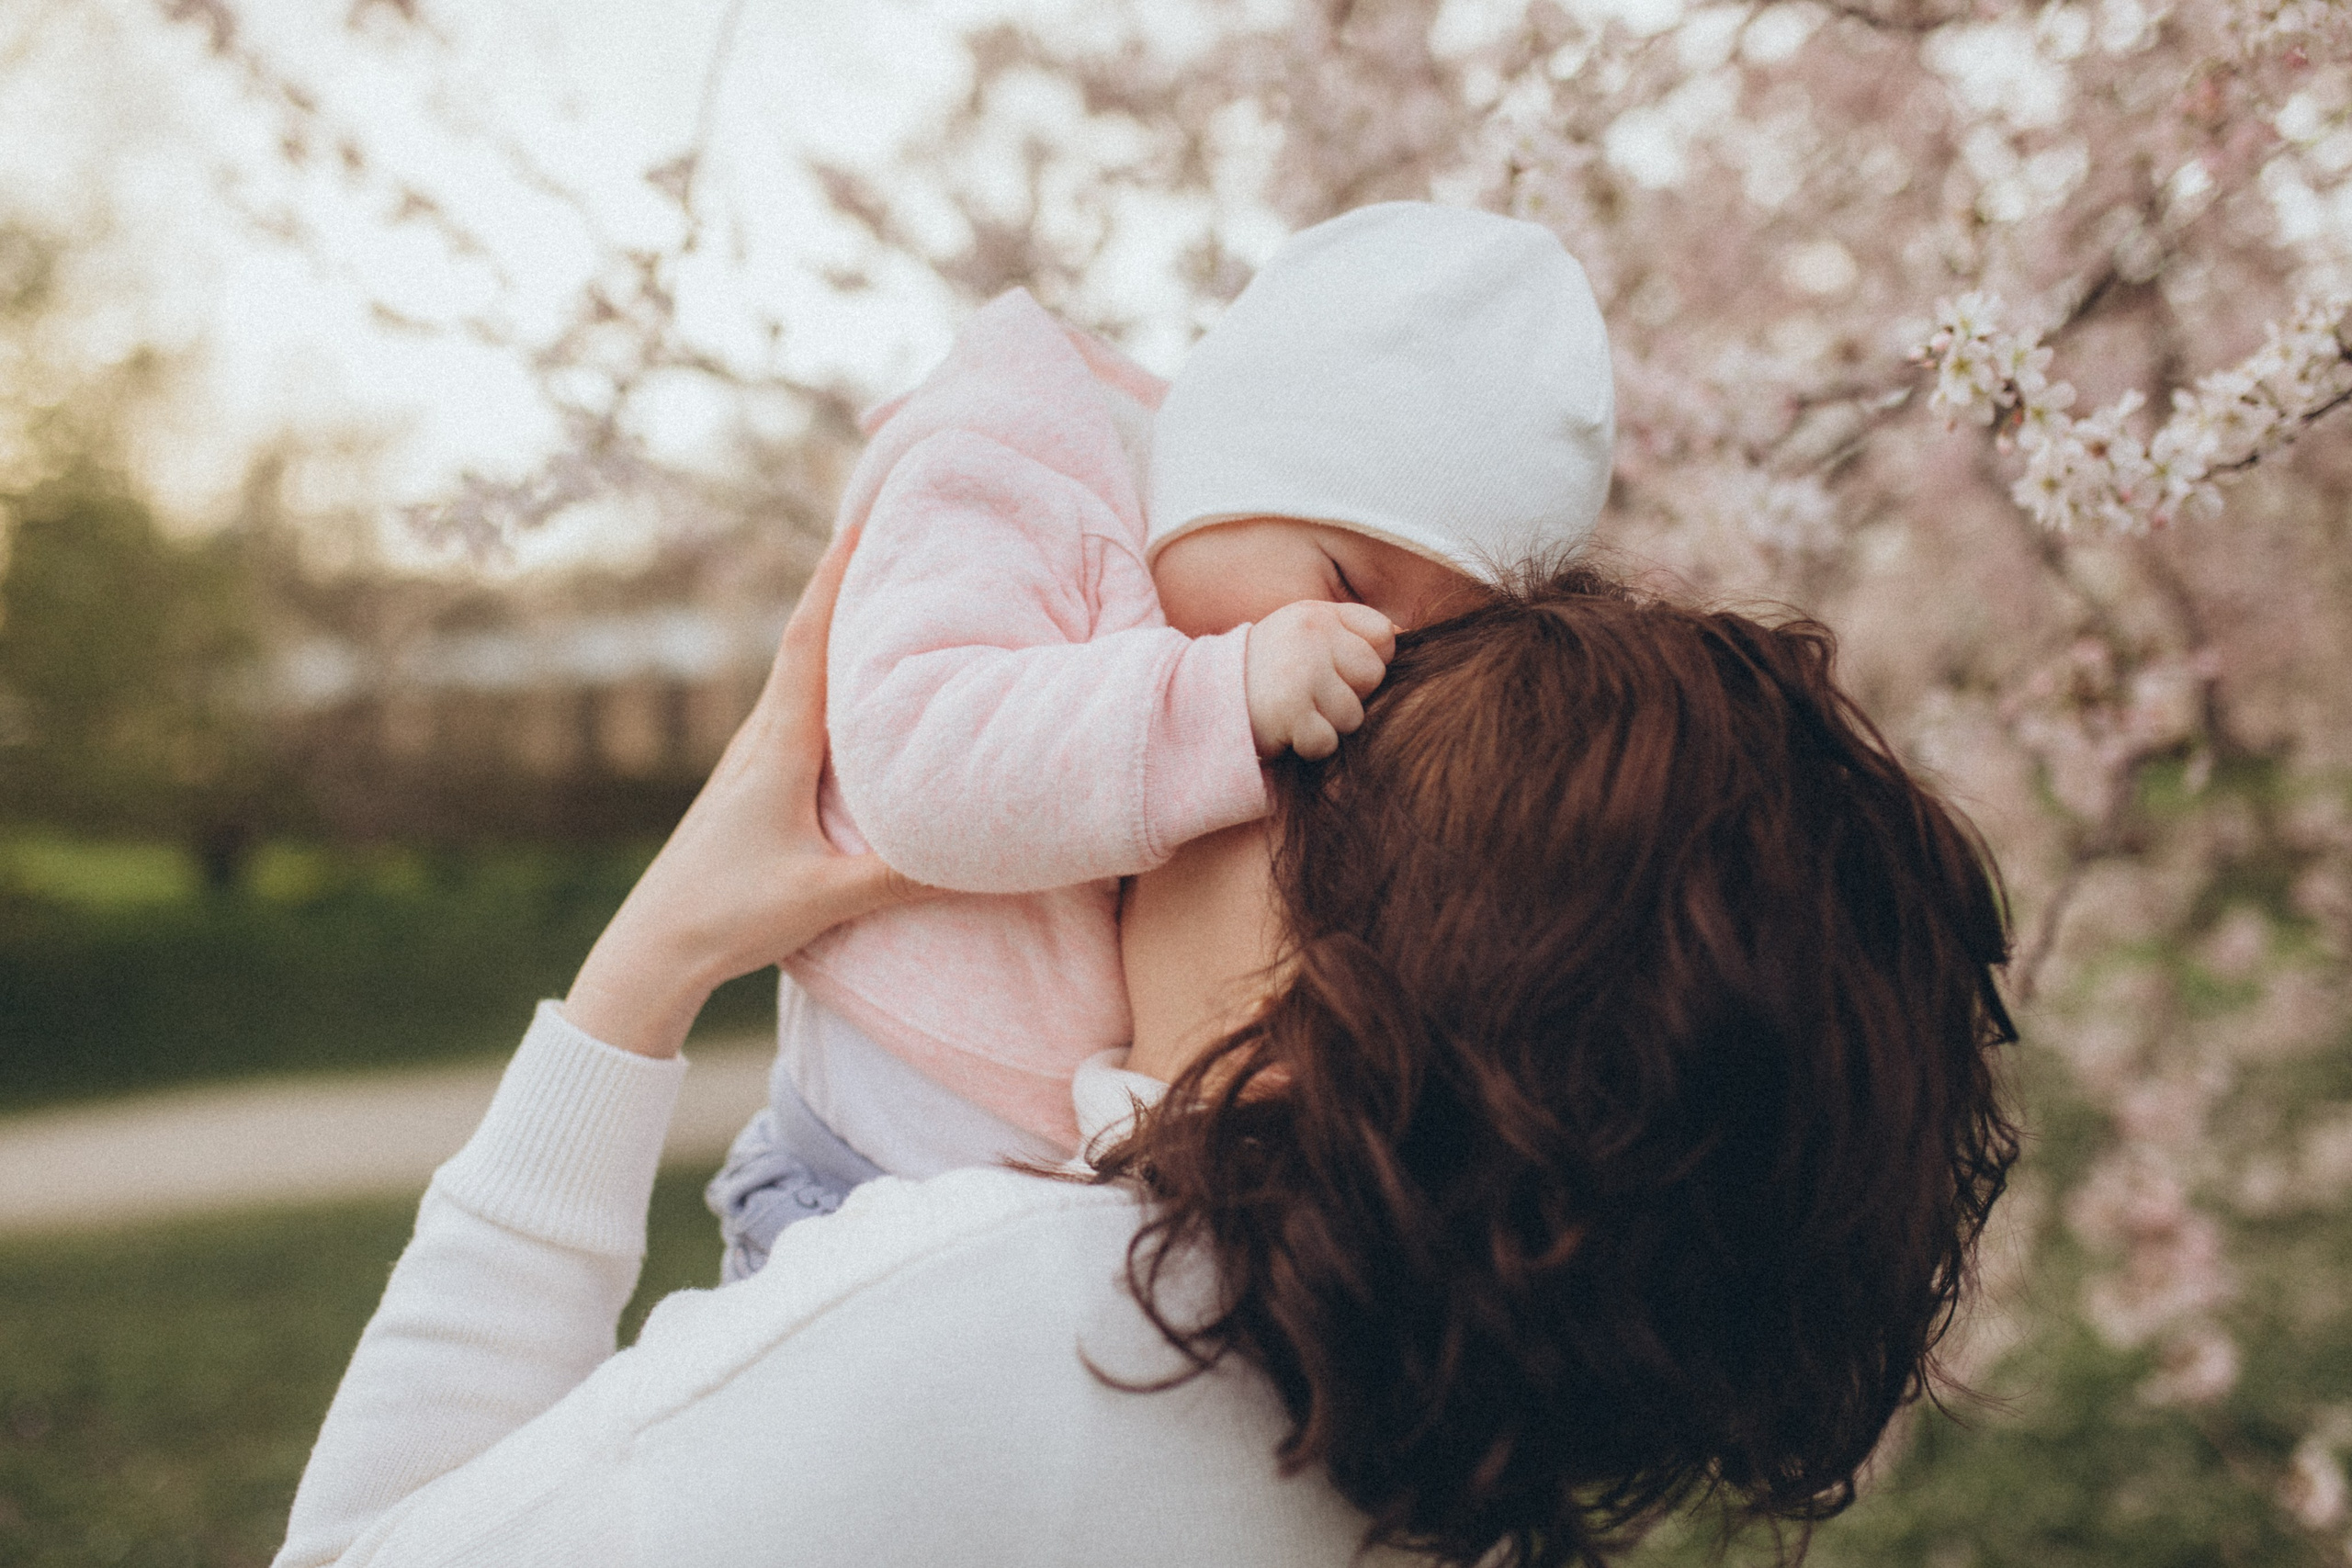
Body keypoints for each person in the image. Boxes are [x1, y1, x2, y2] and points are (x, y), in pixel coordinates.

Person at [274, 525, 2018, 1568]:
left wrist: (637, 972)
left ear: (1330, 991)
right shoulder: (1406, 1465)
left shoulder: (1058, 1313)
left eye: (1297, 750)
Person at [712, 202, 1618, 1277]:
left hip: (1038, 1204)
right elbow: (912, 761)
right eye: (1341, 584)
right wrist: (1220, 696)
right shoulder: (1006, 485)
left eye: (1424, 650)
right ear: (1220, 475)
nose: (1362, 654)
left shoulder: (1214, 598)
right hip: (852, 1181)